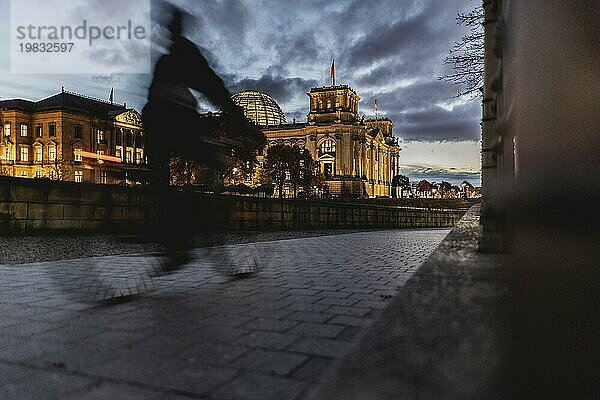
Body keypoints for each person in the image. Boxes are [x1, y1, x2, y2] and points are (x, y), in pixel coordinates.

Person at [142, 6, 265, 273]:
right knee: (214, 163)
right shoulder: (187, 53)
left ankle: (174, 242)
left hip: (153, 121)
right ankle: (189, 229)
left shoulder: (164, 60)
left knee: (161, 182)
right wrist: (244, 126)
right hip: (177, 119)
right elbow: (214, 89)